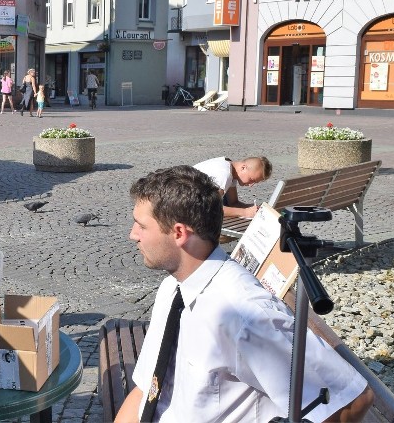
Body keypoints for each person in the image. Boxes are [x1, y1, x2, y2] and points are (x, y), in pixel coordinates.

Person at [116, 165, 373, 423]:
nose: (132, 235)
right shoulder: (173, 288)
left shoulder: (244, 313)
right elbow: (145, 390)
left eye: (141, 226)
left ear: (179, 233)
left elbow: (351, 399)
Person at [193, 156, 272, 218]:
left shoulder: (231, 169)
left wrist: (255, 209)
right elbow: (212, 208)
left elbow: (233, 203)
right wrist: (245, 212)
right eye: (251, 179)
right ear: (243, 168)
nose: (251, 185)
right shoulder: (224, 174)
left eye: (255, 182)